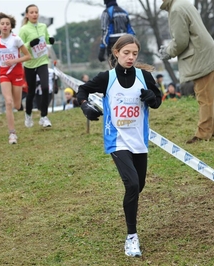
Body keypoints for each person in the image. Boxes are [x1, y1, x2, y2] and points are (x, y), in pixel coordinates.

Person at [77, 34, 162, 257]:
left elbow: (158, 101)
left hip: (139, 141)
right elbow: (82, 90)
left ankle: (129, 212)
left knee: (138, 186)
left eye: (134, 53)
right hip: (117, 139)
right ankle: (131, 237)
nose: (131, 57)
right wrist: (85, 106)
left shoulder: (144, 76)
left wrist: (151, 98)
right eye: (126, 53)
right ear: (116, 53)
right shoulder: (107, 78)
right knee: (133, 185)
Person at [158, 0, 214, 144]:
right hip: (205, 54)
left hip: (200, 58)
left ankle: (203, 134)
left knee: (204, 98)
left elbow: (181, 41)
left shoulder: (176, 9)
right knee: (210, 97)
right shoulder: (183, 4)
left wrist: (168, 51)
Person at [0, 12, 31, 144]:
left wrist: (15, 60)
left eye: (7, 24)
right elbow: (0, 56)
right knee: (8, 102)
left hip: (17, 73)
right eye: (2, 24)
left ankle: (21, 105)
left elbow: (27, 56)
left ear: (11, 26)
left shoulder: (16, 39)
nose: (5, 26)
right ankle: (12, 134)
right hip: (4, 73)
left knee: (17, 105)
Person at [19, 4, 55, 128]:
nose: (34, 14)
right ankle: (28, 114)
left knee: (45, 88)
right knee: (31, 92)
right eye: (32, 12)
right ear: (27, 15)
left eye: (36, 12)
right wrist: (29, 44)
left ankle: (44, 116)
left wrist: (51, 40)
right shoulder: (23, 30)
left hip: (42, 61)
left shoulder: (43, 26)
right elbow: (19, 48)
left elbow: (46, 39)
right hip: (29, 64)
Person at [98, 0, 135, 66]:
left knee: (114, 67)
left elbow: (105, 31)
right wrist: (132, 43)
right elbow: (130, 29)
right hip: (125, 41)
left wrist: (102, 50)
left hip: (113, 43)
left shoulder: (106, 12)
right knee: (125, 65)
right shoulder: (124, 12)